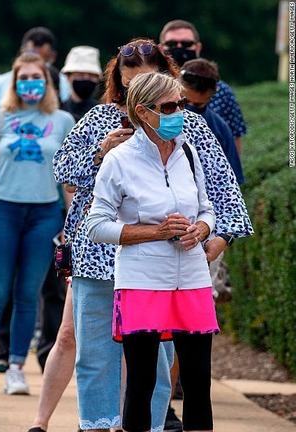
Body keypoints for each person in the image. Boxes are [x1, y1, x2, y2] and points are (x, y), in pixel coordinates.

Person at [31, 38, 253, 432]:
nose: (141, 92)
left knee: (158, 360)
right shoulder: (98, 120)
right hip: (98, 255)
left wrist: (217, 239)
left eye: (149, 82)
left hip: (165, 264)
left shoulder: (190, 127)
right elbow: (63, 174)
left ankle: (149, 425)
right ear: (120, 82)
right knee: (95, 351)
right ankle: (97, 425)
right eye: (132, 83)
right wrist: (100, 154)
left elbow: (221, 188)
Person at [87, 71, 220, 432]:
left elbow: (208, 208)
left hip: (192, 278)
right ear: (143, 112)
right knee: (142, 384)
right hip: (142, 280)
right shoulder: (119, 160)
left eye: (182, 103)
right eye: (170, 106)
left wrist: (201, 229)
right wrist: (155, 232)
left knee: (197, 383)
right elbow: (96, 225)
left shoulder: (188, 151)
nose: (180, 111)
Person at [0, 52, 74, 395]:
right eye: (23, 77)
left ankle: (15, 368)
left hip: (43, 215)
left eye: (36, 77)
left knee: (28, 294)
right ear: (14, 82)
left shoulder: (63, 121)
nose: (30, 83)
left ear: (47, 81)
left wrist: (71, 224)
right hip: (1, 211)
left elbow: (68, 178)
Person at [159, 19, 247, 156]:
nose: (179, 47)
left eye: (187, 44)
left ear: (198, 47)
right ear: (161, 49)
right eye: (172, 44)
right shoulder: (152, 91)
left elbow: (234, 142)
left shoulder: (222, 92)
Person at [180, 59, 244, 185]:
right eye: (185, 102)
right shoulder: (160, 119)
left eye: (198, 105)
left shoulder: (219, 128)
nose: (190, 111)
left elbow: (231, 181)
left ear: (211, 96)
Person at [60, 46, 103, 122]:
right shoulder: (58, 112)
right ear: (68, 76)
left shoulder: (103, 114)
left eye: (91, 75)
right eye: (80, 75)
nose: (86, 79)